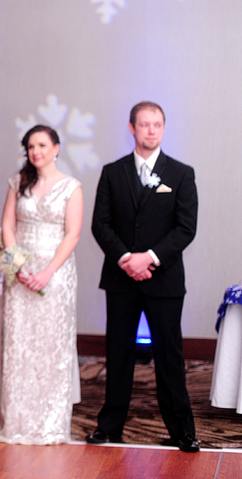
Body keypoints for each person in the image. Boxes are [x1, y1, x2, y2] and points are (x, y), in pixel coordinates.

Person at [86, 101, 199, 453]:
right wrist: (125, 259)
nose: (151, 130)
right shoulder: (112, 172)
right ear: (131, 128)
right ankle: (109, 426)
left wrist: (148, 258)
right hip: (121, 279)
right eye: (144, 124)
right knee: (118, 354)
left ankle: (182, 430)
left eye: (157, 124)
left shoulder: (181, 173)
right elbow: (99, 224)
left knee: (169, 355)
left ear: (163, 128)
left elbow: (186, 228)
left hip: (163, 279)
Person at [0, 126, 82, 445]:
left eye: (42, 145)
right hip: (20, 269)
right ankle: (15, 422)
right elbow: (7, 224)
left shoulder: (72, 186)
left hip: (55, 274)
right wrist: (17, 267)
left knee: (50, 347)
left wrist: (47, 273)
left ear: (56, 148)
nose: (36, 151)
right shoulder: (17, 183)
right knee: (19, 345)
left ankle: (50, 424)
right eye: (31, 146)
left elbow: (72, 234)